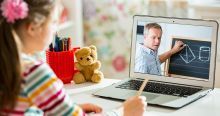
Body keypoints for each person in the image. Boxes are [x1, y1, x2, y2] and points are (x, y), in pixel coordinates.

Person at [0, 0, 146, 115]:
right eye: (54, 22)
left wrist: (65, 109)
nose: (56, 29)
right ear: (33, 28)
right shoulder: (34, 72)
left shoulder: (8, 64)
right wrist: (122, 112)